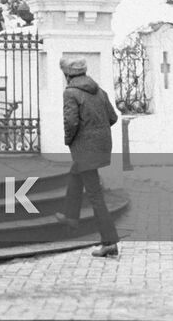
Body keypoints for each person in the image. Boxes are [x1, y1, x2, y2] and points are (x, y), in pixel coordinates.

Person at [55, 57, 120, 257]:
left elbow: (71, 122)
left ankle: (109, 242)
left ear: (67, 75)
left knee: (95, 195)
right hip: (101, 146)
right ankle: (70, 216)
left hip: (85, 148)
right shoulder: (99, 91)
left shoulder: (70, 93)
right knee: (76, 173)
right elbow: (113, 117)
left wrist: (69, 140)